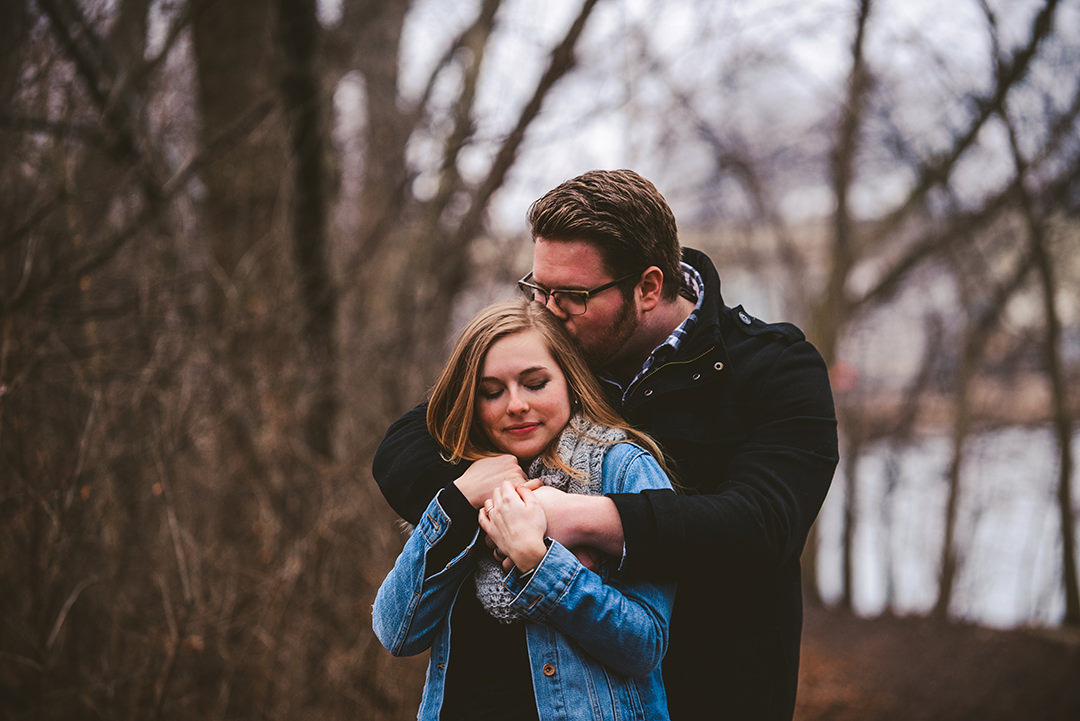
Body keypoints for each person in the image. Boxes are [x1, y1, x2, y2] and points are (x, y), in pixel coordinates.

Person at [373, 169, 839, 720]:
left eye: (571, 295)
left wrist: (574, 519)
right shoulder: (552, 352)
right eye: (537, 288)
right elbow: (407, 444)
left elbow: (761, 526)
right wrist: (488, 508)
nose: (547, 310)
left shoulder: (773, 368)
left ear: (647, 287)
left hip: (718, 695)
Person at [371, 299, 677, 721]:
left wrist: (538, 563)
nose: (515, 405)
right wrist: (459, 501)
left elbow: (645, 644)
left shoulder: (623, 469)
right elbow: (397, 633)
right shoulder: (461, 479)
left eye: (535, 383)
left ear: (569, 380)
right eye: (492, 392)